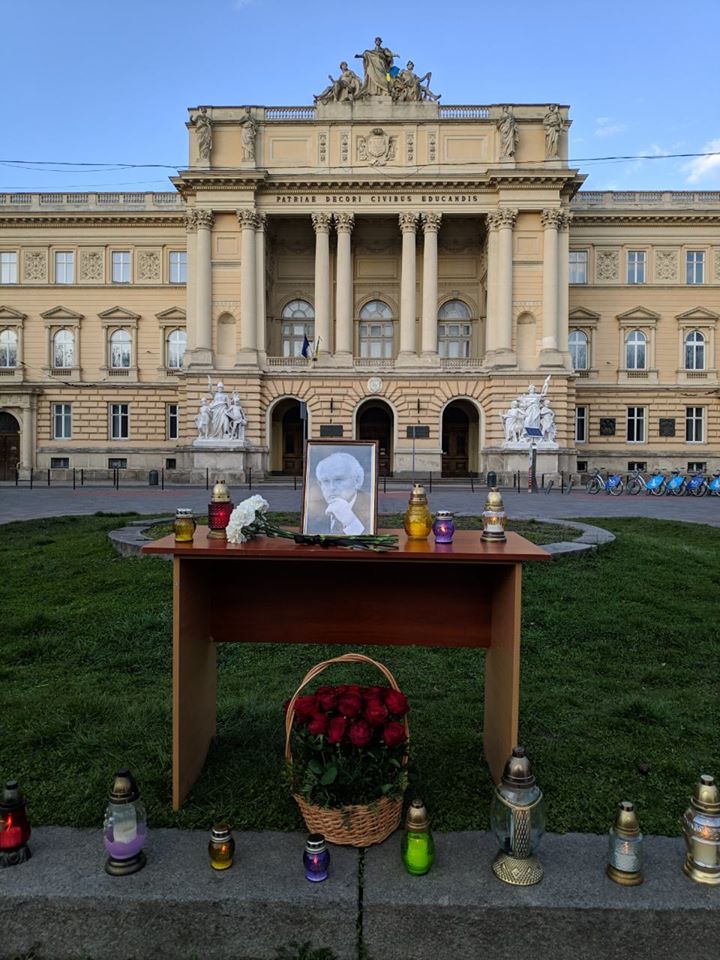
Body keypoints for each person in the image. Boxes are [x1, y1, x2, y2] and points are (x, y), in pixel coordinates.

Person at [308, 452, 370, 535]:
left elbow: (369, 540)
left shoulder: (370, 504)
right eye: (325, 481)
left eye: (338, 480)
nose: (331, 488)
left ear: (357, 481)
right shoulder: (314, 508)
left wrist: (351, 522)